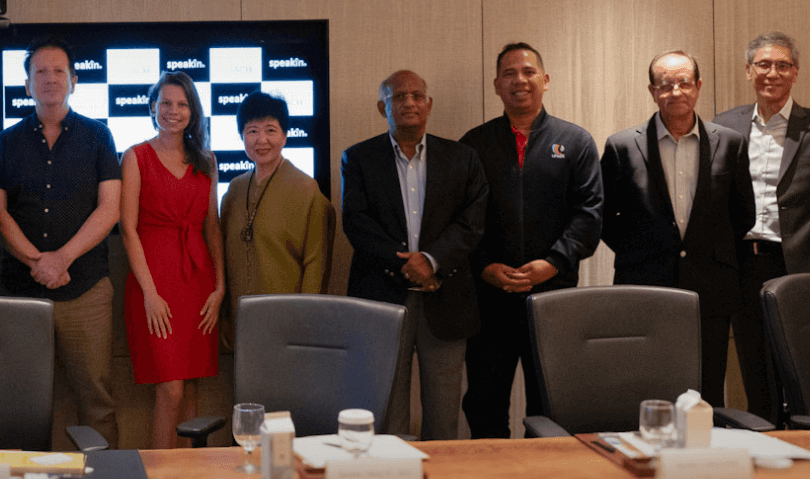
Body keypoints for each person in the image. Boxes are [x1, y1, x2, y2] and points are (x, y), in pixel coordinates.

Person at [711, 31, 810, 417]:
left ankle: (803, 444)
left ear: (795, 72)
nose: (772, 73)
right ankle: (766, 439)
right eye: (763, 64)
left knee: (800, 370)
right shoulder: (724, 126)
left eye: (782, 65)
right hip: (742, 265)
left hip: (798, 266)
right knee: (753, 368)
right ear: (748, 70)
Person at [459, 43, 602, 438]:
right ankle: (492, 474)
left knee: (550, 405)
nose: (519, 80)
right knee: (485, 403)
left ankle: (547, 475)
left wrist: (552, 263)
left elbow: (589, 215)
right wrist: (485, 266)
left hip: (553, 296)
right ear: (496, 85)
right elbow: (461, 219)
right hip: (490, 298)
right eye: (509, 74)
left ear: (545, 80)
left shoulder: (575, 141)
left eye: (528, 72)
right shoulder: (474, 145)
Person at [0, 38, 123, 448]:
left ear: (74, 80)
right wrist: (37, 261)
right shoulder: (7, 141)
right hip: (21, 293)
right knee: (24, 401)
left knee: (96, 400)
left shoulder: (98, 136)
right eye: (40, 72)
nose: (50, 79)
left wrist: (62, 258)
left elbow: (110, 209)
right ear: (27, 84)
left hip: (86, 290)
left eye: (58, 71)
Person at [601, 51, 755, 407]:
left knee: (707, 391)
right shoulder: (622, 146)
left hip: (712, 287)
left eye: (684, 83)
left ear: (698, 87)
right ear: (652, 91)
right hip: (644, 284)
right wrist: (641, 251)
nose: (676, 92)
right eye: (665, 85)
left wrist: (709, 249)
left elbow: (743, 214)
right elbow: (605, 217)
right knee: (647, 387)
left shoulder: (730, 142)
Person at [341, 70, 487, 440]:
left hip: (446, 297)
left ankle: (441, 478)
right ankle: (390, 475)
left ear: (429, 104)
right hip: (383, 298)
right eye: (398, 96)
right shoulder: (358, 158)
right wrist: (409, 265)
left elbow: (472, 223)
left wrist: (432, 261)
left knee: (444, 415)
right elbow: (357, 223)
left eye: (417, 95)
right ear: (382, 107)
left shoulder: (462, 158)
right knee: (386, 412)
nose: (409, 102)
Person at [120, 72, 225, 450]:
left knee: (191, 388)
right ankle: (158, 476)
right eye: (166, 103)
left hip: (198, 283)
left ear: (193, 112)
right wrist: (150, 293)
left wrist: (220, 288)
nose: (173, 111)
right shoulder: (136, 156)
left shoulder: (207, 160)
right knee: (171, 389)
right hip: (154, 283)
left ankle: (189, 476)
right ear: (153, 107)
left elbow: (212, 228)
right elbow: (128, 229)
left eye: (182, 104)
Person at [219, 92, 331, 346]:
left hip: (289, 323)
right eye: (252, 131)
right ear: (242, 136)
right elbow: (223, 258)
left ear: (285, 135)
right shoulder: (234, 190)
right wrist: (224, 314)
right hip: (241, 320)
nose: (261, 140)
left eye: (270, 130)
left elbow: (317, 264)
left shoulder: (306, 189)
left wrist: (305, 320)